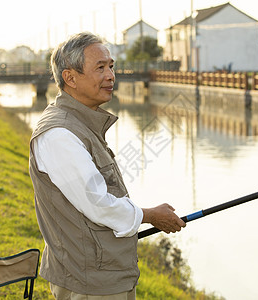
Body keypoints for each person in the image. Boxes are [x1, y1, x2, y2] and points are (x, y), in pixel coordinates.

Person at [29, 32, 186, 299]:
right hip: (89, 282)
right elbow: (98, 203)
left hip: (104, 274)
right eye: (100, 68)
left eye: (111, 66)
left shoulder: (80, 123)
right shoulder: (59, 134)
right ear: (70, 78)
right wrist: (150, 216)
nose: (111, 75)